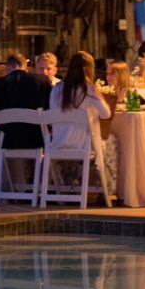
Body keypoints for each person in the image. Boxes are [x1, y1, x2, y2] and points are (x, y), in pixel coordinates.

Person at [49, 51, 116, 195]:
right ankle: (107, 190)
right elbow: (106, 114)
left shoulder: (56, 89)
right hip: (83, 147)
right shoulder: (89, 90)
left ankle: (71, 183)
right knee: (112, 141)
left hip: (58, 144)